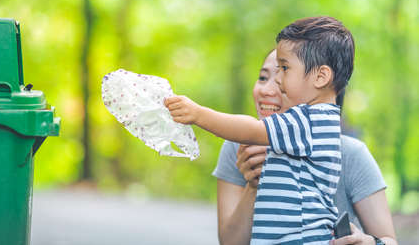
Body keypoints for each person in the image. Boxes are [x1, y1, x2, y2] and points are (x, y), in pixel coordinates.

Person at [165, 16, 354, 244]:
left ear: (321, 76)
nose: (278, 79)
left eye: (284, 68)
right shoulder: (319, 120)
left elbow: (251, 129)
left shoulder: (307, 121)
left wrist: (198, 114)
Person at [213, 49, 397, 245]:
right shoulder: (239, 146)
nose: (266, 90)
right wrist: (253, 186)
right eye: (263, 77)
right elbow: (230, 242)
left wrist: (369, 242)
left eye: (282, 78)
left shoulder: (350, 153)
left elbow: (389, 240)